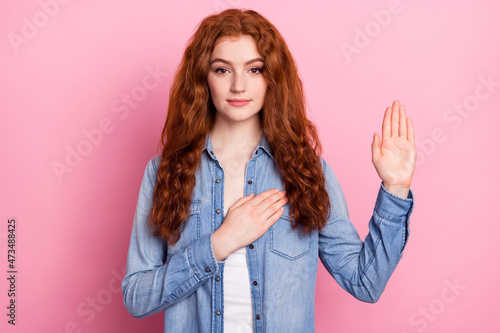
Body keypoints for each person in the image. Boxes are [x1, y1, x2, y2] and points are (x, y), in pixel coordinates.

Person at [121, 8, 416, 333]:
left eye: (255, 70)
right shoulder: (164, 171)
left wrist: (396, 187)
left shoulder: (308, 172)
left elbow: (365, 282)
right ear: (203, 78)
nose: (238, 85)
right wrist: (219, 243)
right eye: (222, 70)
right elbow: (137, 296)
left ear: (273, 77)